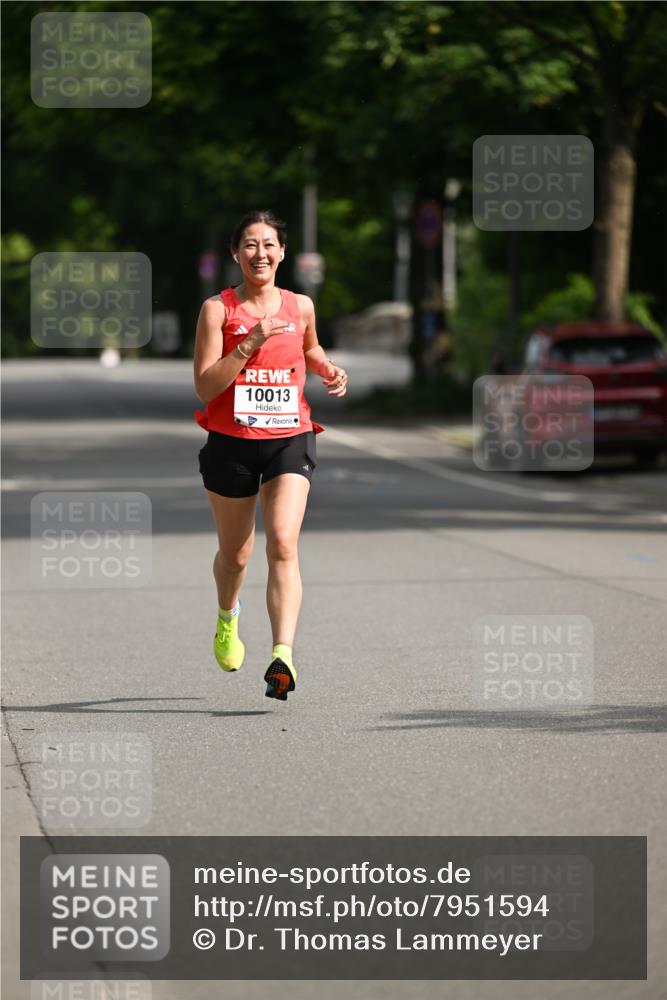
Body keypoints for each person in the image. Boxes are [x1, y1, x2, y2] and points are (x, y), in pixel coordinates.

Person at [193, 210, 348, 701]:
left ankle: (282, 655)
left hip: (289, 435)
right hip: (231, 441)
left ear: (282, 253)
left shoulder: (299, 305)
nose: (260, 253)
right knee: (236, 555)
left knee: (283, 542)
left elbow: (310, 347)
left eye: (269, 245)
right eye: (249, 245)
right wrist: (248, 346)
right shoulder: (218, 310)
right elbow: (203, 386)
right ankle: (227, 617)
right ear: (236, 254)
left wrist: (327, 368)